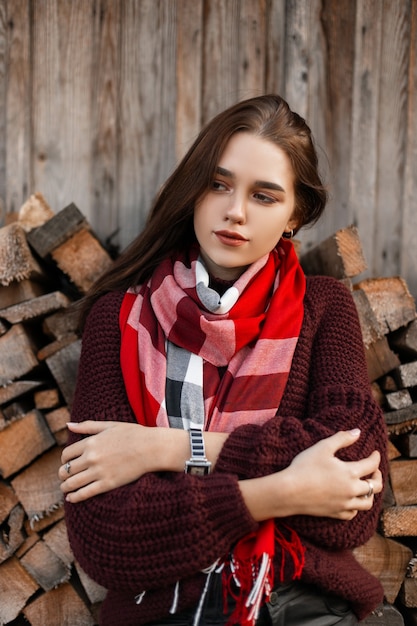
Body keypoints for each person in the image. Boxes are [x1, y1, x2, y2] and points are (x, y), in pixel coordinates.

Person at [59, 94, 388, 626]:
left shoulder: (325, 310)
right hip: (162, 614)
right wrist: (281, 491)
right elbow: (107, 540)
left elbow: (351, 503)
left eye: (264, 196)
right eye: (218, 184)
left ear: (294, 216)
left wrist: (161, 449)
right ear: (194, 190)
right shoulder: (119, 320)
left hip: (302, 607)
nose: (235, 211)